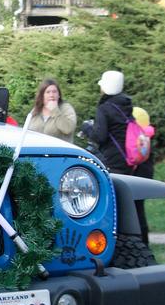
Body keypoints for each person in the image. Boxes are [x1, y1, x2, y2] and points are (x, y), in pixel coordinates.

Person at [82, 70, 153, 242]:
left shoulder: (104, 108)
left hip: (113, 160)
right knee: (134, 203)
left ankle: (119, 242)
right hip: (129, 160)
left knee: (115, 204)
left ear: (105, 87)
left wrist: (87, 128)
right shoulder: (126, 105)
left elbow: (100, 136)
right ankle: (142, 242)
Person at [27, 78, 76, 143]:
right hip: (37, 150)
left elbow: (68, 129)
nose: (51, 95)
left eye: (54, 92)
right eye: (48, 92)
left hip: (58, 151)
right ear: (42, 95)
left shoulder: (66, 108)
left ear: (59, 95)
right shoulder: (35, 110)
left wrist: (54, 110)